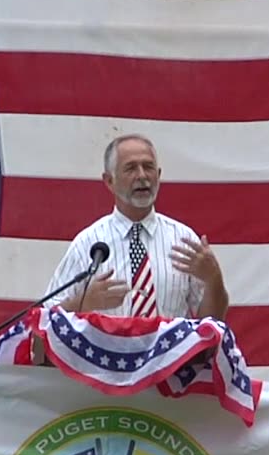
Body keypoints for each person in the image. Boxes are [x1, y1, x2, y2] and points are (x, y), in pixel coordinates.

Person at [42, 133, 229, 321]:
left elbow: (212, 323)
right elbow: (46, 318)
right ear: (109, 181)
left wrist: (214, 280)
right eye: (130, 168)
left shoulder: (183, 239)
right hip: (107, 350)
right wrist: (83, 303)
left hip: (169, 350)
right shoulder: (89, 242)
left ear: (159, 175)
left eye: (148, 167)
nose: (141, 176)